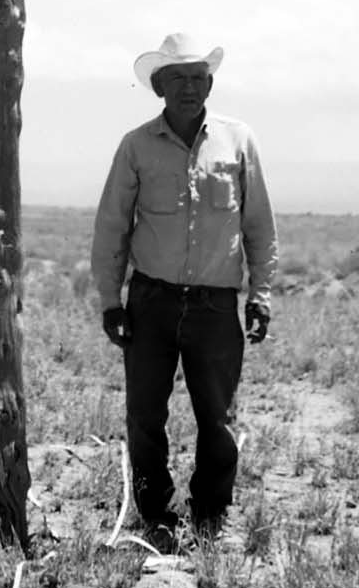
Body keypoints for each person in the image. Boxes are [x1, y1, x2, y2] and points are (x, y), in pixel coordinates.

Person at [90, 31, 277, 544]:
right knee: (145, 416)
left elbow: (259, 225)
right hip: (151, 302)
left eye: (198, 78)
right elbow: (112, 227)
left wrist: (260, 294)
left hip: (217, 307)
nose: (190, 88)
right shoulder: (136, 147)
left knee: (218, 418)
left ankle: (211, 515)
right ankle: (158, 516)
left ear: (210, 84)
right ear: (159, 88)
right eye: (178, 79)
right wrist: (111, 300)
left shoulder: (238, 141)